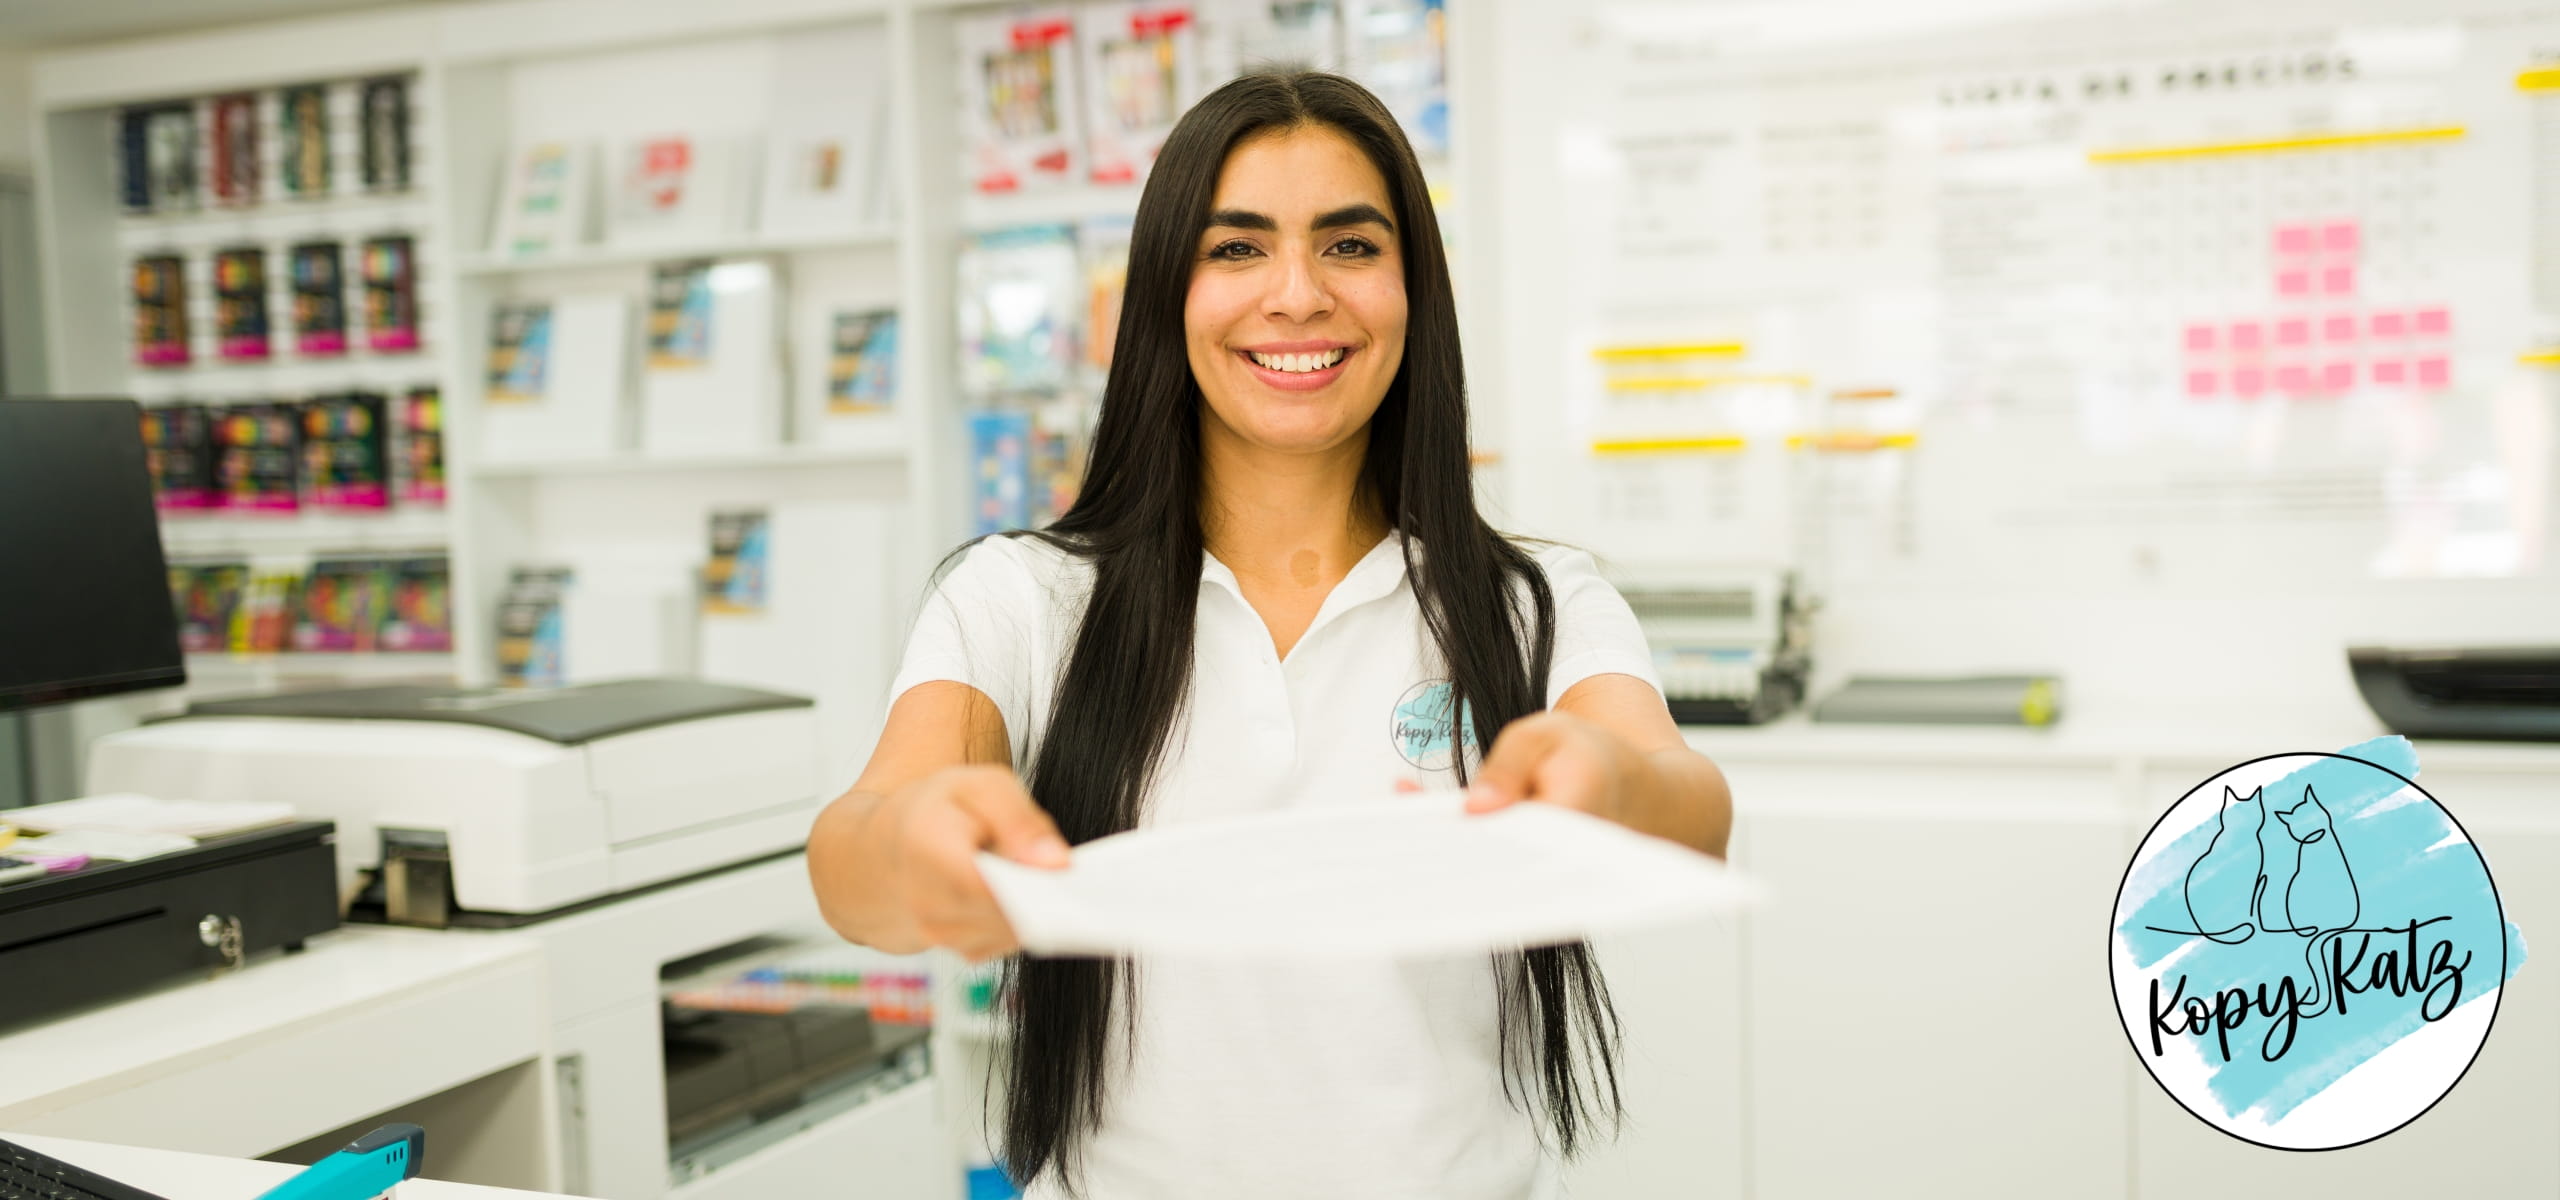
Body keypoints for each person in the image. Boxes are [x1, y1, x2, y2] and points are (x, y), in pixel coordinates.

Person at [808, 69, 1732, 1199]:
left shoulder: (1537, 600)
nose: (1296, 296)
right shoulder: (1018, 598)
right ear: (1163, 293)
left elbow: (1685, 806)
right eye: (1236, 249)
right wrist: (916, 844)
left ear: (1412, 291)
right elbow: (854, 849)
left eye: (1349, 246)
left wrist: (1601, 783)